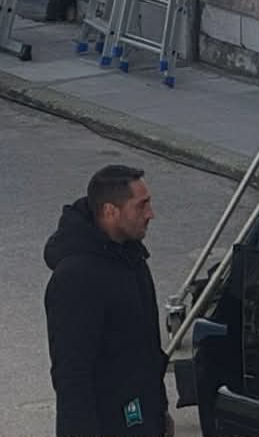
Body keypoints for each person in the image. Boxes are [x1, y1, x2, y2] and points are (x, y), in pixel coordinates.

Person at [43, 165, 171, 437]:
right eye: (141, 205)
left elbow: (147, 349)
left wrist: (160, 412)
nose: (151, 214)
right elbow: (72, 375)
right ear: (110, 211)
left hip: (143, 419)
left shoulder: (133, 258)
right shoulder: (75, 278)